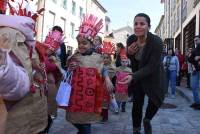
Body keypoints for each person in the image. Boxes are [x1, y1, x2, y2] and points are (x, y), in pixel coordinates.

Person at [0, 1, 48, 133]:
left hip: (27, 118)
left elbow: (21, 77)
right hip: (21, 120)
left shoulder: (14, 35)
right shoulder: (10, 34)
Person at [65, 14, 114, 134]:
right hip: (76, 95)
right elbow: (68, 71)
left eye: (84, 43)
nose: (81, 45)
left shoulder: (97, 57)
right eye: (79, 43)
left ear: (91, 44)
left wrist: (107, 78)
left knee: (86, 122)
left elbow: (103, 69)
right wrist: (72, 67)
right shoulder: (74, 56)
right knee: (75, 118)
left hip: (90, 96)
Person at [121, 13, 165, 134]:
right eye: (136, 24)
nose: (138, 26)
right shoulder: (131, 39)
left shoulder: (156, 42)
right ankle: (136, 129)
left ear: (148, 27)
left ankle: (147, 119)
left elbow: (152, 66)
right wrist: (129, 53)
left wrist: (133, 76)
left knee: (155, 100)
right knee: (137, 103)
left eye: (142, 24)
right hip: (138, 77)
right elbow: (130, 59)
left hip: (154, 76)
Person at [188, 35, 200, 110]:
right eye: (194, 40)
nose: (195, 42)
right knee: (193, 86)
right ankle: (197, 102)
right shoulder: (195, 49)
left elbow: (196, 58)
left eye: (197, 40)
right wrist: (191, 57)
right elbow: (190, 59)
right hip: (195, 70)